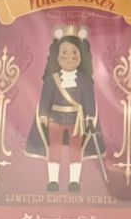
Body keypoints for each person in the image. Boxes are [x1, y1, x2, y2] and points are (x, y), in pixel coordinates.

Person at [26, 27, 104, 193]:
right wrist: (43, 115)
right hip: (55, 120)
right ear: (57, 55)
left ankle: (74, 181)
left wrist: (90, 119)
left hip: (77, 122)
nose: (69, 58)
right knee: (54, 151)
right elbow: (45, 99)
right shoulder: (51, 80)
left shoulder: (85, 81)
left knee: (76, 152)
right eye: (64, 53)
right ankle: (53, 181)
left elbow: (89, 102)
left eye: (74, 54)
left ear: (81, 56)